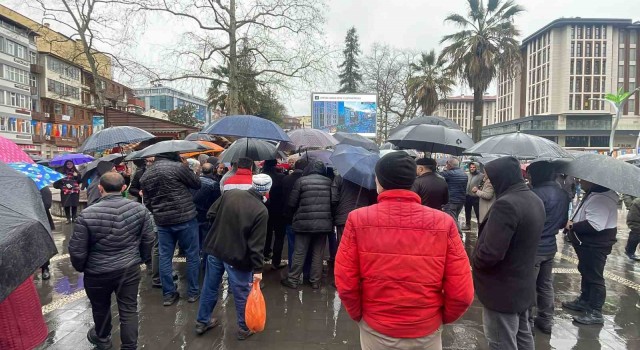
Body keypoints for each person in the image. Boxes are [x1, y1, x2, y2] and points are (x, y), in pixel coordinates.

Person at [335, 152, 474, 350]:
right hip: (426, 329)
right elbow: (462, 292)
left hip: (377, 326)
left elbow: (346, 282)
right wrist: (437, 318)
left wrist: (360, 315)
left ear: (379, 181)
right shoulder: (443, 222)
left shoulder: (358, 219)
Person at [69, 172, 154, 350]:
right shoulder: (140, 210)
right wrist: (142, 259)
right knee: (128, 309)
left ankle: (103, 339)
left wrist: (82, 267)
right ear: (124, 188)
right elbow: (148, 239)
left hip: (96, 271)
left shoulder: (86, 214)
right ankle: (129, 346)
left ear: (100, 188)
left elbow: (77, 249)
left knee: (100, 307)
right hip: (128, 268)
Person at [472, 156, 545, 350]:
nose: (488, 182)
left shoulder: (506, 204)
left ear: (500, 177)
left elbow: (490, 253)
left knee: (501, 341)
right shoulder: (533, 198)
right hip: (522, 285)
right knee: (523, 336)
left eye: (489, 178)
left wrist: (475, 260)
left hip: (502, 289)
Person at [195, 174, 271, 340]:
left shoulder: (230, 194)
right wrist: (258, 269)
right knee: (241, 291)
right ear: (267, 190)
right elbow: (256, 245)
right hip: (237, 256)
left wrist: (219, 229)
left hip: (216, 248)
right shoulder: (260, 211)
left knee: (210, 286)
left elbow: (211, 214)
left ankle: (202, 321)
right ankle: (244, 327)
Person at [140, 152, 202, 306]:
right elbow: (196, 184)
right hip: (186, 218)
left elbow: (147, 201)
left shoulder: (146, 175)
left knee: (164, 257)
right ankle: (193, 292)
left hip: (163, 221)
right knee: (192, 255)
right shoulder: (178, 167)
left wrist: (158, 211)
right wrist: (188, 168)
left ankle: (168, 294)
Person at [562, 179, 618, 325]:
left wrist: (572, 225)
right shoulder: (595, 194)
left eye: (583, 180)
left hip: (595, 245)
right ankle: (585, 300)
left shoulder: (601, 199)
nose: (580, 182)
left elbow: (595, 225)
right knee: (586, 271)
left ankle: (595, 311)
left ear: (593, 181)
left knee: (594, 277)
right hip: (587, 245)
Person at [526, 162, 570, 334]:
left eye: (530, 174)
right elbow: (561, 222)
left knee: (529, 285)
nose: (528, 177)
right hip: (550, 245)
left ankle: (527, 321)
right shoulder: (563, 194)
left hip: (533, 246)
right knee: (545, 284)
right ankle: (546, 319)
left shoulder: (534, 194)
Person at [281, 160, 333, 290]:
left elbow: (292, 203)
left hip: (303, 222)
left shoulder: (301, 181)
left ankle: (293, 279)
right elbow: (333, 201)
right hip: (323, 223)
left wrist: (293, 215)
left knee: (299, 251)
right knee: (318, 253)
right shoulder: (329, 182)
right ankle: (315, 281)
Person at [330, 174, 377, 269]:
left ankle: (342, 276)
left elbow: (333, 198)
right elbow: (373, 200)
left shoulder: (340, 177)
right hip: (363, 218)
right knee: (361, 249)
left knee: (343, 248)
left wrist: (335, 213)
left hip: (344, 217)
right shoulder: (368, 180)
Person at [281, 158, 308, 267]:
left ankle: (292, 269)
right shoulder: (306, 180)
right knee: (305, 246)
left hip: (289, 217)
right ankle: (306, 271)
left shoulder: (286, 179)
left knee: (292, 245)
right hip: (304, 217)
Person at [261, 159, 286, 266]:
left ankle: (265, 253)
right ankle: (276, 262)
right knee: (279, 237)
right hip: (279, 210)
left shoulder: (260, 177)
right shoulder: (281, 177)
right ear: (275, 165)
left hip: (263, 208)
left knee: (265, 233)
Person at [193, 163, 222, 251]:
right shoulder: (214, 184)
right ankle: (204, 262)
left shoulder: (194, 180)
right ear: (213, 170)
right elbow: (217, 201)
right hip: (207, 215)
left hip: (194, 214)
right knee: (206, 241)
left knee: (195, 241)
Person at [440, 158, 468, 232]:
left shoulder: (449, 173)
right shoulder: (464, 174)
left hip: (451, 201)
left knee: (452, 220)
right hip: (461, 201)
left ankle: (459, 235)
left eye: (447, 164)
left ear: (449, 165)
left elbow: (438, 175)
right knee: (455, 217)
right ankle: (452, 234)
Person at [39, 186, 55, 280]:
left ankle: (45, 268)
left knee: (42, 244)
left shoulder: (41, 186)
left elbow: (47, 203)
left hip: (40, 218)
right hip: (21, 220)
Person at [463, 162, 483, 230]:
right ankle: (468, 225)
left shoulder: (481, 176)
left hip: (476, 197)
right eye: (471, 167)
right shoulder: (467, 175)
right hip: (467, 196)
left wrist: (479, 189)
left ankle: (480, 226)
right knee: (467, 211)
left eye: (474, 167)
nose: (472, 168)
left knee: (478, 212)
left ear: (477, 168)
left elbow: (483, 185)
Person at [625, 196, 640, 261]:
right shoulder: (637, 202)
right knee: (636, 234)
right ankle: (629, 251)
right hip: (636, 220)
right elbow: (633, 219)